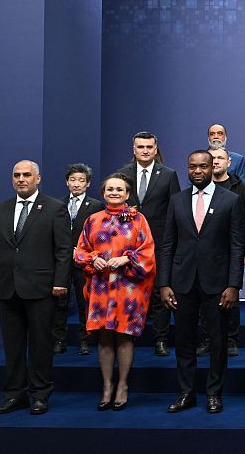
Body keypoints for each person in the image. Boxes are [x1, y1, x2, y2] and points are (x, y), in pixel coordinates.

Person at [0, 160, 71, 415]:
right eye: (17, 175)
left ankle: (40, 395)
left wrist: (60, 281)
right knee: (13, 346)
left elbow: (63, 250)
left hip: (42, 289)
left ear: (38, 178)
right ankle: (15, 395)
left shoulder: (54, 208)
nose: (21, 179)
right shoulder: (0, 209)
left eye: (26, 175)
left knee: (41, 345)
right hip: (7, 288)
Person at [159, 150, 245, 414]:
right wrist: (164, 283)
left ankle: (214, 393)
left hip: (217, 283)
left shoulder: (231, 200)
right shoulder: (177, 200)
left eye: (203, 166)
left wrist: (234, 285)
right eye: (192, 166)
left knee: (217, 342)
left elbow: (236, 245)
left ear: (212, 168)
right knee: (184, 340)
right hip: (182, 282)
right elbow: (168, 244)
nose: (197, 171)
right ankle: (186, 393)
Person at [73, 173, 156, 411]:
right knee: (104, 337)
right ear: (103, 193)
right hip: (100, 287)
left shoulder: (138, 219)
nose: (114, 192)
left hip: (128, 287)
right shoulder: (93, 220)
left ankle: (122, 385)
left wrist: (126, 259)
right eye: (110, 189)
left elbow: (148, 251)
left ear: (128, 194)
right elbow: (80, 251)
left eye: (120, 189)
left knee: (124, 335)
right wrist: (94, 259)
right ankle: (107, 386)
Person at [118, 131, 181, 356]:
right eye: (140, 147)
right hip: (129, 245)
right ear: (133, 149)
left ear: (155, 149)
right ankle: (127, 337)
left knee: (160, 291)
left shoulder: (168, 175)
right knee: (129, 291)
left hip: (160, 243)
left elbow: (175, 209)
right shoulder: (122, 174)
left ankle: (161, 339)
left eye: (149, 147)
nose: (145, 151)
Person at [199, 147, 245, 357]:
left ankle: (231, 340)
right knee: (205, 297)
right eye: (212, 158)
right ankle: (207, 339)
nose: (216, 161)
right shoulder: (199, 188)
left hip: (233, 249)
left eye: (220, 158)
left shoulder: (242, 188)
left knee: (231, 295)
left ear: (229, 162)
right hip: (205, 251)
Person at [54, 163, 104, 356]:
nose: (76, 184)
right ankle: (59, 340)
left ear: (88, 183)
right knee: (59, 303)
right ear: (66, 182)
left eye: (81, 180)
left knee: (85, 302)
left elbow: (99, 235)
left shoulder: (96, 206)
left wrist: (82, 251)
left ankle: (85, 340)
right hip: (61, 261)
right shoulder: (57, 204)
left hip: (84, 261)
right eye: (73, 180)